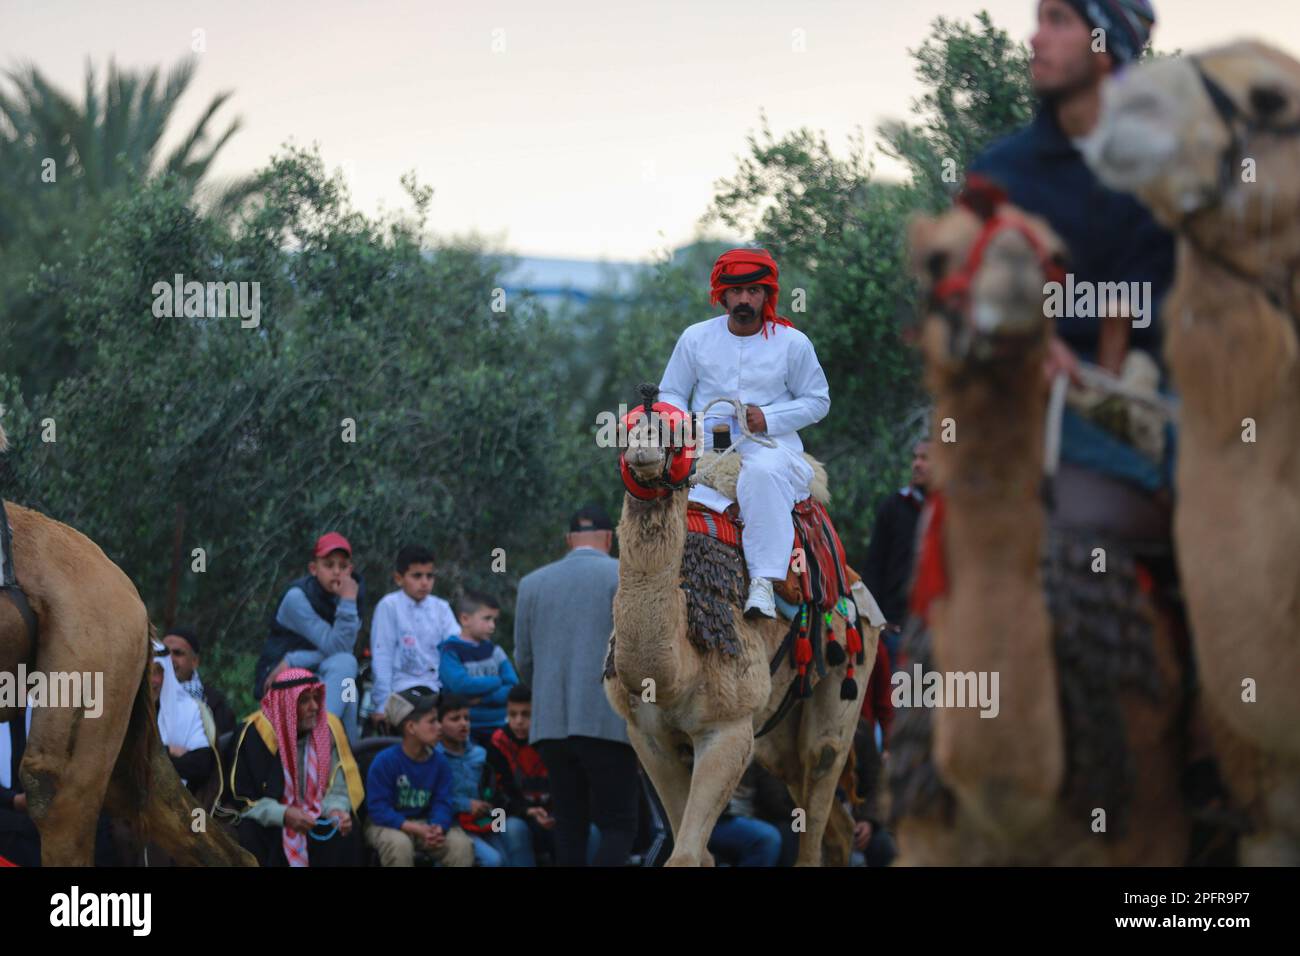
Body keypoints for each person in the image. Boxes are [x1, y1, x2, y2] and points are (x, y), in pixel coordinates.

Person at [658, 247, 831, 618]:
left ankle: (764, 584)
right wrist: (681, 421)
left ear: (767, 295)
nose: (744, 299)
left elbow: (818, 401)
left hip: (771, 447)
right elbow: (670, 391)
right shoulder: (695, 338)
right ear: (722, 295)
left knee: (762, 473)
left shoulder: (792, 344)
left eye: (753, 291)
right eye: (735, 291)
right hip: (708, 447)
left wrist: (767, 418)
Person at [515, 505, 640, 867]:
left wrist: (550, 694)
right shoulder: (624, 576)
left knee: (569, 826)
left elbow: (524, 660)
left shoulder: (531, 583)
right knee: (619, 825)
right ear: (609, 538)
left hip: (550, 727)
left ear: (569, 540)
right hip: (606, 723)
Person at [228, 667, 363, 867]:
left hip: (317, 817)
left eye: (316, 698)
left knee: (345, 832)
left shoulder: (329, 728)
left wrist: (336, 810)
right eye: (305, 700)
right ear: (286, 705)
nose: (315, 707)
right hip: (271, 820)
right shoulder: (254, 734)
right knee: (251, 832)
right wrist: (283, 814)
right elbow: (243, 799)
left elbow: (340, 786)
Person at [253, 532, 365, 743]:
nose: (336, 572)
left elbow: (341, 650)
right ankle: (326, 746)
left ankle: (345, 759)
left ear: (350, 570)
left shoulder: (352, 594)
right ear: (314, 569)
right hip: (280, 675)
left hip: (315, 671)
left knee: (347, 681)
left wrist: (296, 659)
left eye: (342, 566)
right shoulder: (297, 597)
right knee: (346, 667)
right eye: (329, 565)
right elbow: (338, 646)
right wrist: (348, 602)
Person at [363, 686, 474, 867]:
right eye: (432, 722)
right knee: (399, 845)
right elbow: (378, 809)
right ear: (411, 727)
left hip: (425, 823)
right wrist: (412, 827)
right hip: (386, 824)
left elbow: (443, 802)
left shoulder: (440, 763)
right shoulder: (385, 761)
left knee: (460, 845)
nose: (439, 727)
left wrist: (438, 827)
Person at [368, 545, 459, 731]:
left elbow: (456, 648)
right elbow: (382, 655)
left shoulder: (441, 608)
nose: (425, 582)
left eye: (429, 576)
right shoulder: (389, 606)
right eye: (417, 576)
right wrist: (381, 704)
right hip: (400, 689)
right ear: (399, 578)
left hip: (437, 686)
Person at [862, 439, 930, 665]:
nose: (917, 464)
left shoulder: (953, 511)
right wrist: (878, 622)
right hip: (895, 631)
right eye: (915, 457)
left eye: (925, 458)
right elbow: (874, 566)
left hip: (940, 633)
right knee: (898, 698)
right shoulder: (893, 506)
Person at [440, 590, 518, 747]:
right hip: (467, 730)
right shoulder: (450, 652)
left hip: (501, 726)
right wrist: (497, 681)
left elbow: (512, 686)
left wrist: (483, 698)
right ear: (465, 619)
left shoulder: (495, 651)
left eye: (494, 620)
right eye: (487, 619)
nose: (492, 626)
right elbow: (461, 686)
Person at [435, 694, 503, 866]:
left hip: (484, 819)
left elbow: (493, 790)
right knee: (493, 860)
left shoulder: (480, 753)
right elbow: (433, 799)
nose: (463, 723)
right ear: (439, 724)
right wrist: (466, 805)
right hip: (455, 824)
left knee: (508, 848)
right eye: (455, 719)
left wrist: (494, 812)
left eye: (467, 718)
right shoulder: (434, 757)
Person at [149, 643, 215, 796]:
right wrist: (169, 750)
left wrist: (153, 758)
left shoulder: (188, 710)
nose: (154, 680)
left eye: (158, 672)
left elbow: (201, 765)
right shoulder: (124, 710)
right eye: (147, 672)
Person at [163, 625, 236, 738]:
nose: (169, 659)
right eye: (165, 653)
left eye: (177, 653)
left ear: (195, 661)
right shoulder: (149, 696)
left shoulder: (215, 703)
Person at [706, 765, 783, 866]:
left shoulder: (760, 758)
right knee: (767, 838)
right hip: (712, 819)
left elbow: (774, 795)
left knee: (792, 830)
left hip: (744, 817)